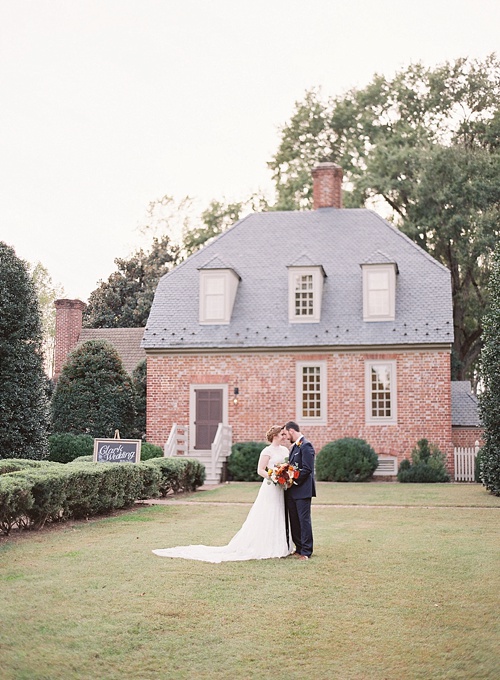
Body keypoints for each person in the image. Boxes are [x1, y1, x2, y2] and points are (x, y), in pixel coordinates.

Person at [152, 426, 292, 562]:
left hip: (282, 487)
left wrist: (285, 477)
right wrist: (272, 476)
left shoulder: (285, 450)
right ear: (275, 436)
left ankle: (282, 544)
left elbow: (288, 466)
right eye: (282, 434)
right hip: (270, 486)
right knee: (269, 513)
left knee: (280, 512)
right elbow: (260, 470)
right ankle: (266, 545)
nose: (284, 437)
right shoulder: (267, 451)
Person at [283, 421, 316, 560]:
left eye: (285, 433)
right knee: (294, 520)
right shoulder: (294, 447)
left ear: (291, 431)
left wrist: (292, 480)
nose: (285, 436)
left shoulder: (306, 446)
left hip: (302, 490)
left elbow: (307, 469)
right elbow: (293, 467)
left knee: (304, 521)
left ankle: (306, 552)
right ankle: (299, 548)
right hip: (292, 491)